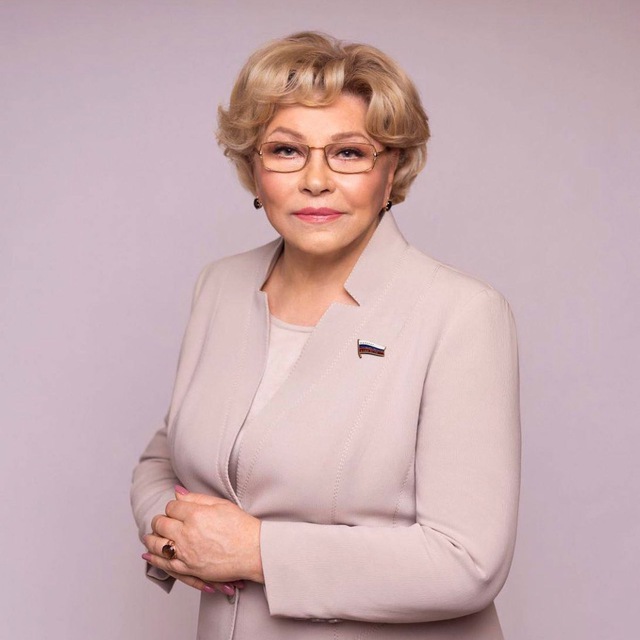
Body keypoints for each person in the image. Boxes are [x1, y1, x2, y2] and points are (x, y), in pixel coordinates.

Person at [131, 31, 521, 640]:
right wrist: (174, 532)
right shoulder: (220, 286)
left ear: (393, 171)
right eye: (286, 150)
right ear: (253, 169)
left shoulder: (461, 314)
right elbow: (167, 455)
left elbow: (467, 562)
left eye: (349, 153)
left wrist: (255, 551)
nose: (316, 180)